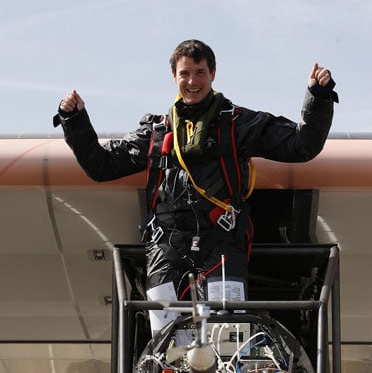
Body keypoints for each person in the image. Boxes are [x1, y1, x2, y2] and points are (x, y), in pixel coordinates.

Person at [54, 39, 338, 335]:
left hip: (222, 241)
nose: (192, 81)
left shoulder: (238, 123)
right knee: (164, 341)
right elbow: (102, 166)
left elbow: (302, 145)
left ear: (213, 73)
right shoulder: (156, 132)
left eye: (200, 72)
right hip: (167, 245)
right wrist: (74, 119)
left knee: (227, 336)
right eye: (185, 73)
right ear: (174, 77)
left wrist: (317, 96)